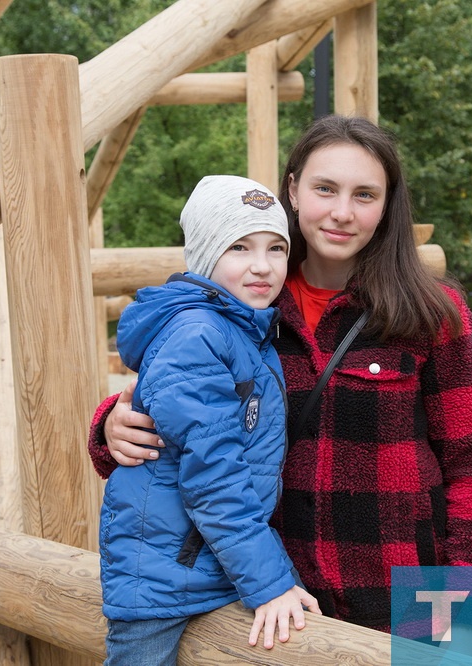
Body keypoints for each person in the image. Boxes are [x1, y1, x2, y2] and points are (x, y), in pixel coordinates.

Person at [89, 116, 472, 651]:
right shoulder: (244, 304)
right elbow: (180, 409)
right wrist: (110, 429)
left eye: (365, 195)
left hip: (412, 582)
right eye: (325, 189)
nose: (342, 212)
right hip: (277, 594)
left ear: (387, 205)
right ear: (292, 189)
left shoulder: (434, 313)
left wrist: (462, 601)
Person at [99, 174, 321, 665]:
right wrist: (269, 582)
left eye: (276, 248)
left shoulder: (242, 327)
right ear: (203, 253)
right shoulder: (203, 333)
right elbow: (213, 473)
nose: (262, 266)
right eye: (239, 247)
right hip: (170, 576)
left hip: (205, 565)